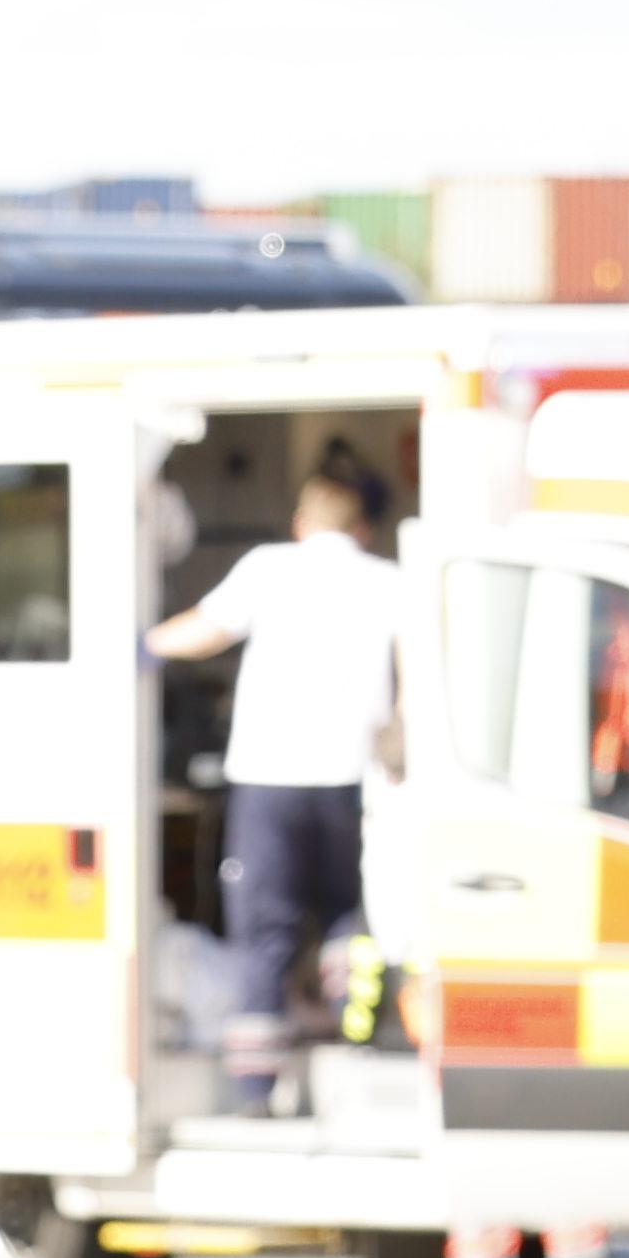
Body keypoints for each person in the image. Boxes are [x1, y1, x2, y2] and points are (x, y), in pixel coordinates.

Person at [146, 454, 402, 1106]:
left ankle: (255, 1091)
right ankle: (360, 1051)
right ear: (364, 528)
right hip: (354, 783)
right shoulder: (391, 581)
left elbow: (206, 631)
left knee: (266, 932)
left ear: (301, 521)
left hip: (270, 784)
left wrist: (140, 646)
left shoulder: (268, 567)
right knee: (350, 916)